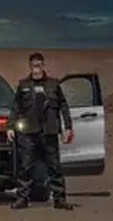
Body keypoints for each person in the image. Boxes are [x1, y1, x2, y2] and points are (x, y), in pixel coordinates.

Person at [7, 52, 74, 210]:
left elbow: (63, 106)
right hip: (29, 132)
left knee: (54, 166)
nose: (36, 68)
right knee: (26, 166)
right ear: (30, 67)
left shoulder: (53, 85)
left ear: (43, 66)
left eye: (39, 65)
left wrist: (68, 127)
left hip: (49, 132)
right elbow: (16, 107)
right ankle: (22, 198)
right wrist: (10, 126)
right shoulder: (23, 85)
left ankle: (59, 198)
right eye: (33, 65)